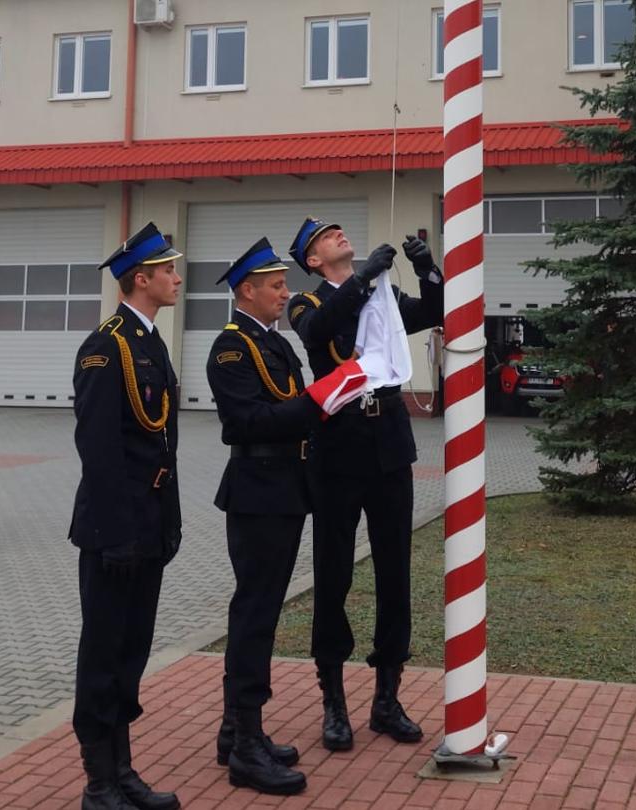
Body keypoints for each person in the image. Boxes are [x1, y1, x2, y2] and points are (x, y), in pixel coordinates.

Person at [207, 237, 369, 796]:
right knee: (254, 615)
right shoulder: (231, 348)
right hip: (257, 492)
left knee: (262, 613)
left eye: (284, 283)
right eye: (275, 285)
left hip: (281, 491)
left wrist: (323, 398)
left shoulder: (270, 343)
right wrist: (322, 397)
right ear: (246, 291)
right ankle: (246, 748)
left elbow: (288, 407)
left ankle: (236, 730)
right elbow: (248, 422)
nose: (285, 292)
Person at [284, 217, 442, 751]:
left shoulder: (384, 293)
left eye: (339, 231)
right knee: (333, 573)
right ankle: (333, 699)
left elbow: (433, 314)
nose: (340, 236)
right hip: (338, 447)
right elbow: (318, 332)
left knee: (395, 569)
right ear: (312, 261)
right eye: (326, 238)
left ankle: (387, 698)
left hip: (389, 443)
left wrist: (426, 270)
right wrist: (363, 279)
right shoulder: (306, 303)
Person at [69, 222, 184, 810]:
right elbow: (99, 450)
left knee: (133, 648)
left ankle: (124, 770)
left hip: (146, 522)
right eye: (167, 270)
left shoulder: (150, 341)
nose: (176, 277)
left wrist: (169, 521)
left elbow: (163, 439)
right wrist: (116, 533)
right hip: (112, 528)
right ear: (141, 278)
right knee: (105, 650)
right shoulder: (104, 346)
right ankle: (98, 781)